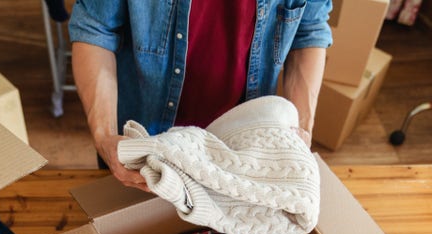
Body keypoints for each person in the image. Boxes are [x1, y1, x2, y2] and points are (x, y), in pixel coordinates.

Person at [68, 0, 333, 191]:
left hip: (241, 149)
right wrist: (104, 136)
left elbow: (308, 30)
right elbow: (95, 28)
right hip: (141, 143)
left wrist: (301, 130)